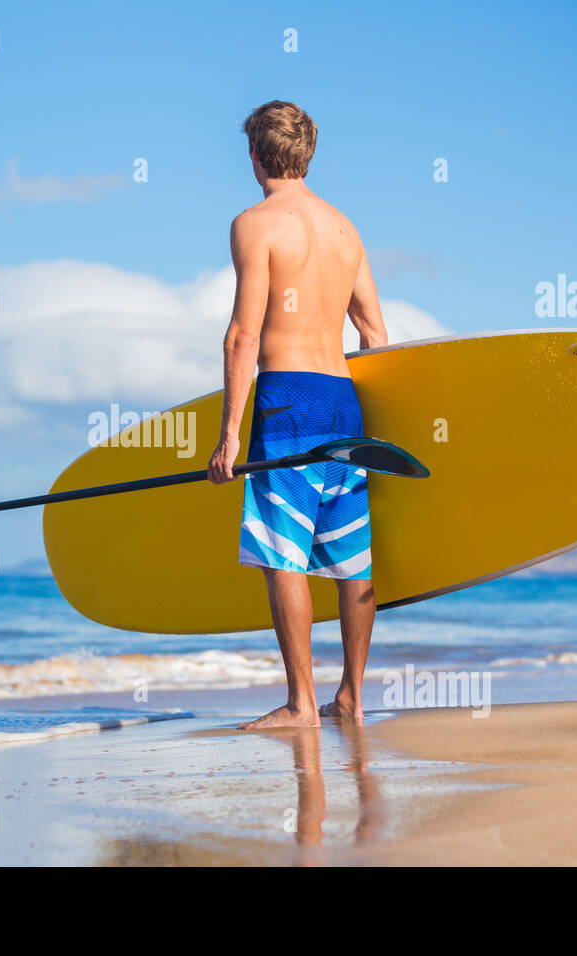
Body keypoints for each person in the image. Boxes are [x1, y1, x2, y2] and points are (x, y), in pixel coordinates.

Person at [207, 101, 388, 729]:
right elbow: (373, 331)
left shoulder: (254, 224)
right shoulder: (345, 229)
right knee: (350, 555)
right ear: (307, 155)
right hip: (345, 400)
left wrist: (229, 435)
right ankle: (353, 698)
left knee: (284, 553)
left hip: (287, 398)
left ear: (255, 155)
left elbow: (243, 335)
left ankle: (301, 703)